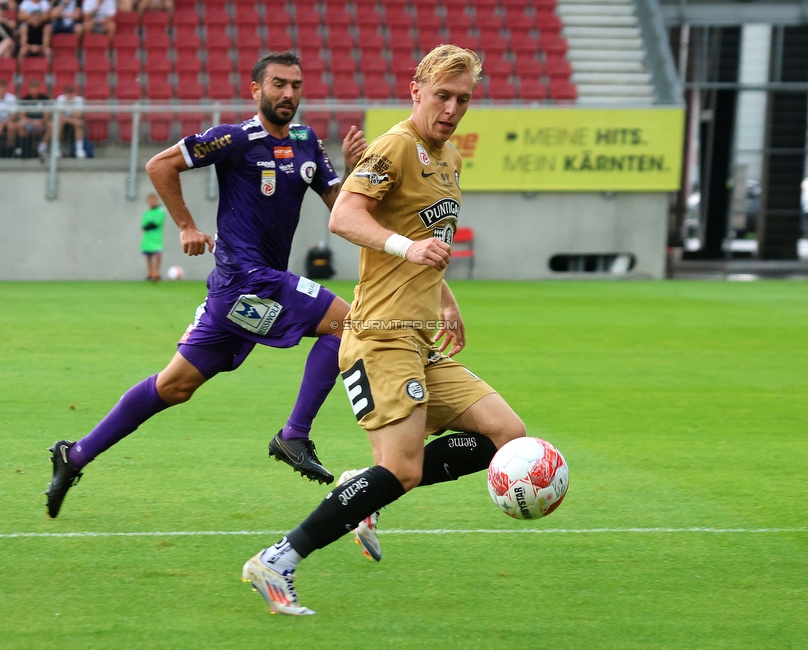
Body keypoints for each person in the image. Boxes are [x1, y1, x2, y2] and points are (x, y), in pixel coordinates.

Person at [242, 45, 527, 617]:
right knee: (402, 467)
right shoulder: (396, 145)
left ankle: (366, 486)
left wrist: (445, 296)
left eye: (463, 99)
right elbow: (343, 216)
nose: (451, 108)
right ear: (416, 90)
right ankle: (278, 560)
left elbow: (425, 237)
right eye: (442, 95)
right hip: (378, 337)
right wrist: (407, 247)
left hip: (419, 337)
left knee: (507, 436)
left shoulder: (448, 159)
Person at [44, 51, 369, 519]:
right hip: (246, 282)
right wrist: (186, 226)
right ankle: (294, 435)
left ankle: (73, 456)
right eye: (278, 84)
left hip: (246, 291)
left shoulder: (306, 142)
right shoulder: (233, 139)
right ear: (255, 89)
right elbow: (160, 165)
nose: (288, 94)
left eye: (296, 85)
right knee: (348, 323)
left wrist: (355, 172)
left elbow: (341, 211)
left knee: (174, 386)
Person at [17, 78, 51, 159]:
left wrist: (41, 122)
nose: (34, 90)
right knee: (19, 125)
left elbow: (47, 115)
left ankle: (42, 147)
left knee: (52, 125)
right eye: (33, 88)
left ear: (39, 89)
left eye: (36, 88)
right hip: (29, 122)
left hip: (42, 122)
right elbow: (22, 116)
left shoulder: (45, 99)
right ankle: (24, 146)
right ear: (29, 89)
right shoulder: (25, 99)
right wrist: (33, 122)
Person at [140, 193, 166, 281]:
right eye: (150, 200)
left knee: (158, 256)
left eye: (153, 200)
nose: (152, 202)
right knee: (148, 256)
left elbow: (155, 223)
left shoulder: (160, 211)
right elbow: (144, 226)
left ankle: (156, 273)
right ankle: (150, 273)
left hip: (156, 238)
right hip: (147, 238)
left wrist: (149, 224)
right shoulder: (147, 213)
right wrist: (149, 225)